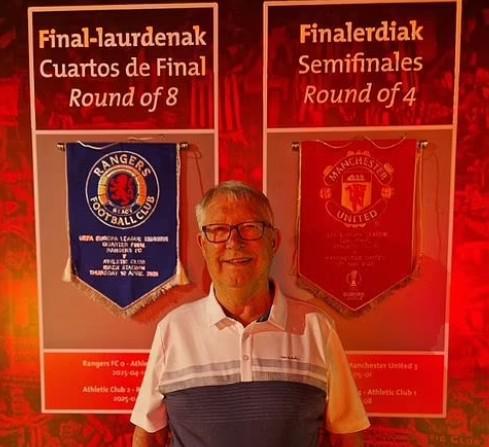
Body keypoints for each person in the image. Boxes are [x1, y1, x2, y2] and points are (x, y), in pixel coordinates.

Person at [131, 181, 370, 447]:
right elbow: (149, 436)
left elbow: (346, 437)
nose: (234, 242)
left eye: (250, 228)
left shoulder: (316, 328)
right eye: (218, 230)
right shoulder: (173, 329)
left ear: (273, 241)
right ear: (202, 244)